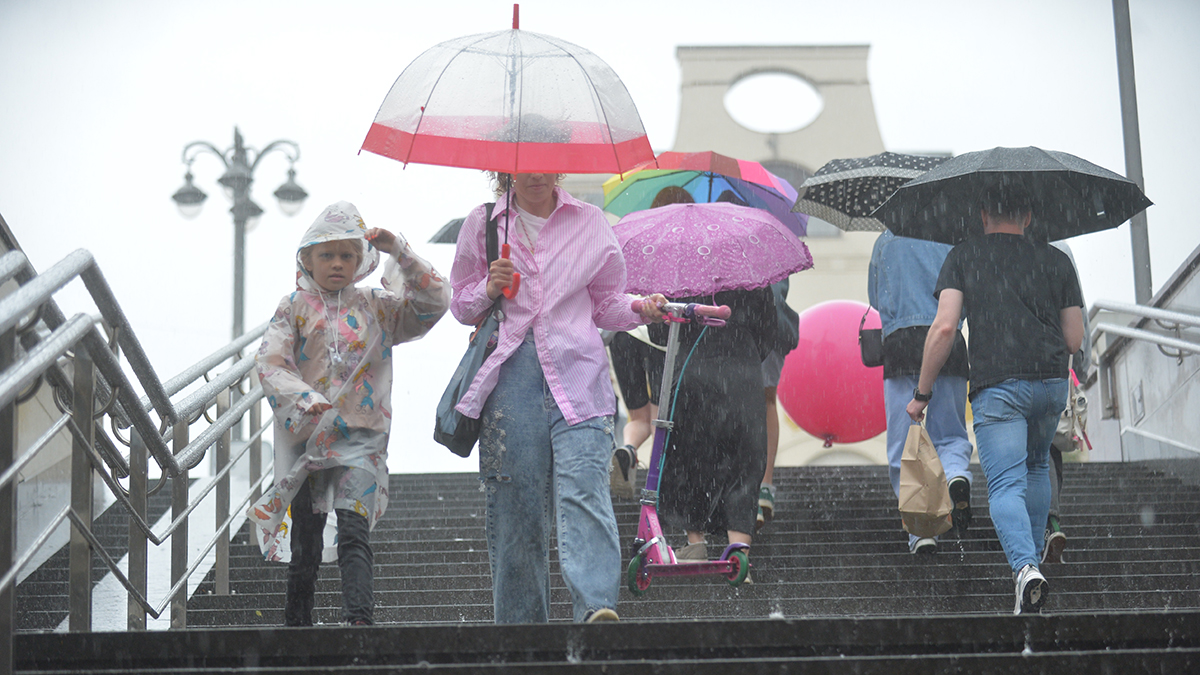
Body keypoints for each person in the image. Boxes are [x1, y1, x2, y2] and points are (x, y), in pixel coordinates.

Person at [450, 169, 666, 624]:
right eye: (525, 162)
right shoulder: (486, 223)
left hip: (580, 375)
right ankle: (522, 631)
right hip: (511, 378)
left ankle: (595, 608)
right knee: (518, 509)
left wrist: (639, 307)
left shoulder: (589, 221)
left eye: (546, 161)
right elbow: (461, 306)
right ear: (505, 167)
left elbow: (605, 303)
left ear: (560, 165)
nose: (536, 174)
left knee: (586, 492)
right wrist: (489, 287)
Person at [249, 201, 450, 626]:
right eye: (327, 255)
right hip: (308, 440)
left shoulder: (378, 307)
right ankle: (297, 626)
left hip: (362, 439)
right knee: (306, 538)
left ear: (360, 261)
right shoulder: (294, 307)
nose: (337, 263)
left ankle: (359, 620)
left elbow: (434, 302)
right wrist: (305, 398)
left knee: (354, 531)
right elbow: (270, 362)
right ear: (307, 259)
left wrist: (401, 251)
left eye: (347, 255)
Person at [907, 178, 1084, 615]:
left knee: (1005, 482)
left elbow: (945, 328)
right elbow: (1075, 339)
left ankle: (1024, 569)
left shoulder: (964, 255)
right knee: (1037, 466)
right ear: (1028, 217)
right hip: (1049, 384)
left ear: (984, 216)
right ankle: (1034, 559)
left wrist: (922, 393)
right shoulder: (1057, 260)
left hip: (997, 386)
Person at [649, 286, 777, 568]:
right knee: (743, 460)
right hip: (743, 368)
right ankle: (739, 553)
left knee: (690, 456)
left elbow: (659, 332)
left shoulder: (679, 270)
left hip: (693, 366)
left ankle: (695, 543)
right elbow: (769, 330)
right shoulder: (751, 271)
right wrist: (742, 347)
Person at [868, 229, 974, 554]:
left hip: (901, 346)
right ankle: (956, 474)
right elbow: (966, 299)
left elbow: (875, 299)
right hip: (950, 342)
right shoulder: (954, 238)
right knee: (950, 435)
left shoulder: (885, 241)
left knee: (905, 445)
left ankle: (921, 531)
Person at [609, 185, 693, 498]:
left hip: (625, 334)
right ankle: (660, 484)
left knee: (637, 417)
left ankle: (628, 449)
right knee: (660, 418)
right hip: (661, 338)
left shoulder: (637, 240)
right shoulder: (690, 249)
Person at [1044, 241, 1091, 564]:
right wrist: (1081, 360)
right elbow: (1078, 307)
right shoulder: (1059, 248)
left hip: (1012, 363)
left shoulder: (992, 241)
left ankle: (1037, 525)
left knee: (1027, 448)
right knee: (1048, 445)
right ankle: (1050, 520)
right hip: (1056, 359)